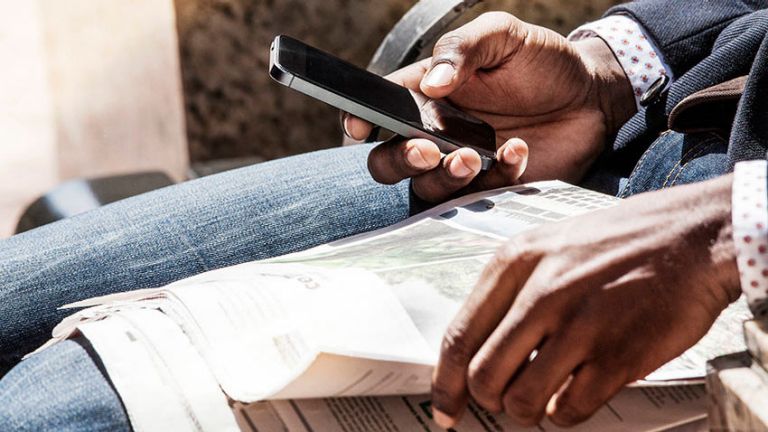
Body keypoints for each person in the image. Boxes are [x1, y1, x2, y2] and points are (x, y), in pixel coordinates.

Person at [1, 0, 767, 429]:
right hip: (639, 137)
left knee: (40, 418)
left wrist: (732, 223)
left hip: (726, 265)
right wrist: (610, 73)